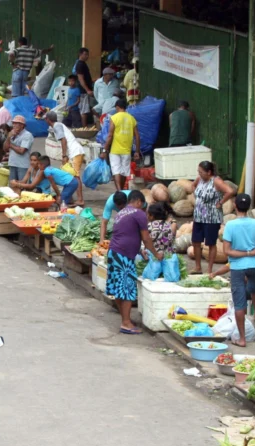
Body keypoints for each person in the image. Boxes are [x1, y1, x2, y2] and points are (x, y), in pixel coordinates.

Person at [106, 191, 162, 335]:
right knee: (127, 289)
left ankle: (126, 319)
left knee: (119, 288)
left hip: (114, 252)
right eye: (142, 204)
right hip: (123, 256)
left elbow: (127, 234)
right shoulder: (138, 214)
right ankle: (125, 323)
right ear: (138, 201)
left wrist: (139, 251)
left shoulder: (122, 212)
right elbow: (146, 238)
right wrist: (156, 253)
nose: (143, 207)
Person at [221, 193, 255, 347]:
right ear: (249, 207)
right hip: (254, 265)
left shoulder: (230, 225)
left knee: (239, 303)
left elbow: (227, 251)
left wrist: (245, 254)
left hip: (238, 267)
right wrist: (253, 256)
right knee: (254, 287)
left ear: (235, 206)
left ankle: (242, 339)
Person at [185, 160, 235, 274]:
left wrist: (221, 202)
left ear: (209, 172)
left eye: (201, 172)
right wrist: (196, 196)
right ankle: (198, 267)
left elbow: (230, 191)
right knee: (196, 242)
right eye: (199, 172)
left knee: (211, 243)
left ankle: (209, 270)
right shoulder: (199, 179)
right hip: (198, 216)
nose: (200, 174)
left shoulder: (216, 181)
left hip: (212, 218)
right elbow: (192, 185)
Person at [101, 99, 139, 191]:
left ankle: (119, 191)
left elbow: (110, 135)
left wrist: (104, 150)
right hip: (127, 150)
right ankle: (121, 190)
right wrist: (137, 151)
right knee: (124, 172)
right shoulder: (131, 118)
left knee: (116, 171)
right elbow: (137, 136)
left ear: (117, 107)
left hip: (115, 150)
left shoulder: (114, 118)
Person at [46, 111, 85, 181]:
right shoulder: (58, 125)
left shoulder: (56, 126)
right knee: (72, 175)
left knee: (75, 176)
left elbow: (63, 140)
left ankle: (79, 192)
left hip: (75, 152)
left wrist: (64, 156)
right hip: (75, 152)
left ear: (48, 119)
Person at [4, 115, 34, 185]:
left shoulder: (27, 135)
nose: (14, 125)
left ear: (22, 125)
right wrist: (8, 137)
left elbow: (21, 151)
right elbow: (5, 149)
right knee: (13, 186)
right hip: (12, 163)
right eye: (14, 123)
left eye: (17, 123)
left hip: (22, 165)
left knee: (22, 186)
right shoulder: (12, 134)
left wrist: (10, 145)